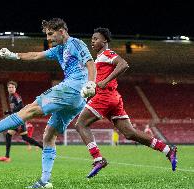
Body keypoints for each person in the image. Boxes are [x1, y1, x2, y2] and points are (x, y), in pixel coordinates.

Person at [0, 18, 96, 188]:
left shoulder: (75, 43)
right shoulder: (59, 49)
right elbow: (35, 55)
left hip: (72, 88)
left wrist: (91, 83)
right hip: (78, 100)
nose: (48, 38)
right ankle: (45, 181)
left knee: (30, 109)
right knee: (48, 136)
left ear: (62, 31)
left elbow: (91, 64)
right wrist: (13, 55)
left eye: (50, 34)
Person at [74, 27, 178, 179]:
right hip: (113, 98)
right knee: (130, 133)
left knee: (80, 124)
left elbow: (123, 64)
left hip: (105, 96)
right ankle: (168, 150)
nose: (93, 42)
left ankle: (98, 159)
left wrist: (105, 81)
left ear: (105, 41)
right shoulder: (99, 58)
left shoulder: (107, 54)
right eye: (92, 39)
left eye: (96, 39)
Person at [0, 80, 43, 162]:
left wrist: (11, 111)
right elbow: (16, 108)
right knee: (25, 138)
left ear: (15, 88)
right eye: (9, 87)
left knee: (9, 135)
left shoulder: (16, 96)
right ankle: (43, 147)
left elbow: (21, 106)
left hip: (18, 119)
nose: (11, 89)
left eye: (12, 87)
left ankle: (7, 157)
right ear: (7, 88)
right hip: (18, 118)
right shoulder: (10, 96)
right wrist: (10, 112)